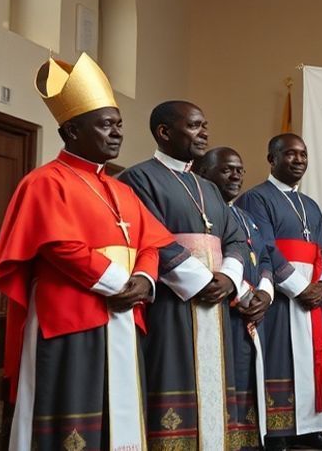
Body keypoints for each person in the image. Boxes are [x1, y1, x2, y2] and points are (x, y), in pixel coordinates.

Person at [0, 54, 175, 449]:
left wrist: (144, 279)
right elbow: (60, 246)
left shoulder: (123, 189)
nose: (117, 134)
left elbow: (151, 242)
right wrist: (120, 282)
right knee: (70, 409)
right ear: (72, 130)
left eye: (119, 125)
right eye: (106, 125)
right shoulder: (45, 182)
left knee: (117, 411)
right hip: (70, 312)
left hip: (122, 311)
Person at [118, 101, 254, 449]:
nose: (204, 132)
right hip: (172, 304)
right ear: (164, 132)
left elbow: (235, 237)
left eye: (205, 124)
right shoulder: (138, 178)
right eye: (195, 125)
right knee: (171, 380)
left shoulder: (207, 187)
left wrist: (228, 276)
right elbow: (150, 235)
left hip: (216, 303)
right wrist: (201, 281)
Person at [235, 134, 322, 450]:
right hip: (281, 297)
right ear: (272, 159)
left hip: (312, 297)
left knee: (313, 362)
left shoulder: (309, 204)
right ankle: (278, 432)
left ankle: (312, 429)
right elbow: (265, 248)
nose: (298, 160)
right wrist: (299, 288)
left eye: (303, 154)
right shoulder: (256, 198)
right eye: (290, 154)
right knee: (280, 360)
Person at [194, 147, 278, 448]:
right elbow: (211, 262)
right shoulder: (205, 214)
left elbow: (265, 257)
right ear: (204, 173)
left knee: (248, 384)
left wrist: (265, 293)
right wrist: (244, 295)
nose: (236, 175)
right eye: (227, 169)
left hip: (254, 312)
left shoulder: (246, 216)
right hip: (225, 313)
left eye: (240, 170)